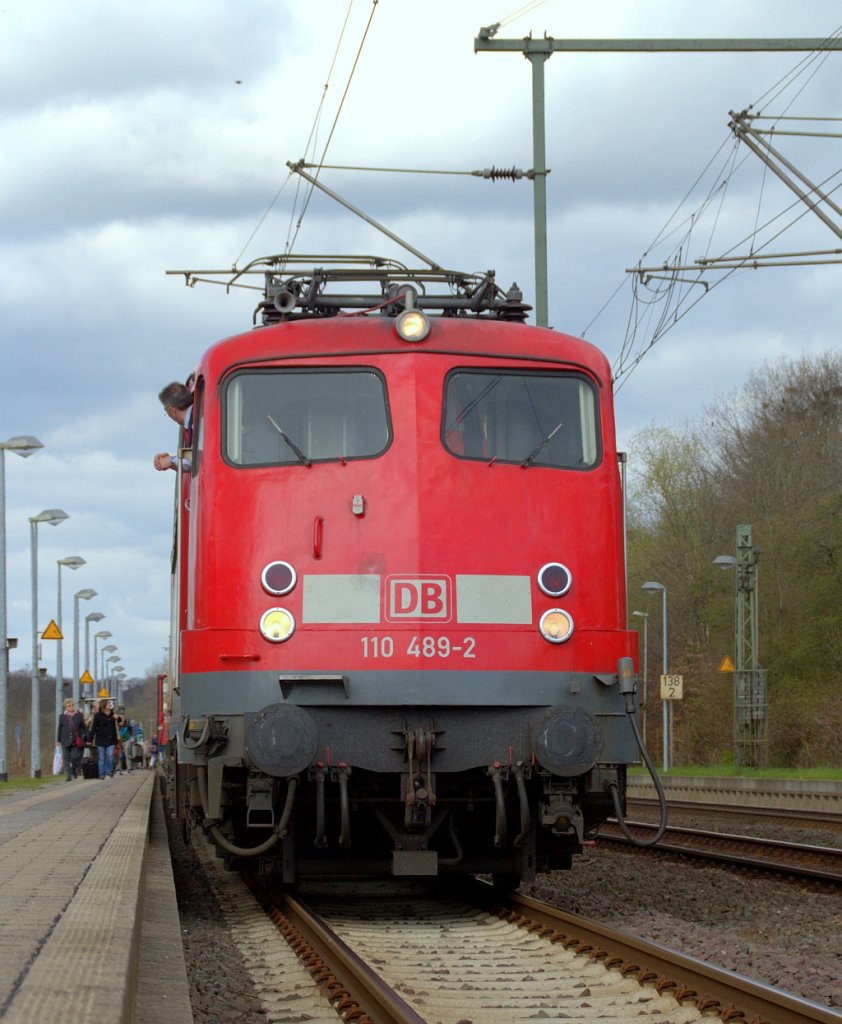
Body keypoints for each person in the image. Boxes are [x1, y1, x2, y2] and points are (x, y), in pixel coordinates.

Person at [153, 379, 194, 472]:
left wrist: (170, 460)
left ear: (171, 410)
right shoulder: (194, 419)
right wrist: (170, 462)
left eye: (166, 412)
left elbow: (194, 460)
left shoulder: (197, 421)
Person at [56, 697, 87, 781]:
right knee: (66, 759)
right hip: (65, 740)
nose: (71, 707)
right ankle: (68, 775)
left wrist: (84, 736)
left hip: (75, 741)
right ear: (66, 707)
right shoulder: (62, 716)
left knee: (74, 757)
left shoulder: (78, 715)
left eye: (72, 705)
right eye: (69, 706)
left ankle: (74, 769)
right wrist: (58, 740)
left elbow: (84, 727)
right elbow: (60, 728)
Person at [89, 700, 119, 779]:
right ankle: (101, 774)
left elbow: (120, 722)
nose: (110, 705)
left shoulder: (112, 714)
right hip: (101, 739)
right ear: (104, 706)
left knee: (110, 755)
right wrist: (90, 739)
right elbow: (93, 728)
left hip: (111, 739)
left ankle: (109, 771)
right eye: (108, 704)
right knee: (101, 757)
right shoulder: (98, 715)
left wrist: (117, 717)